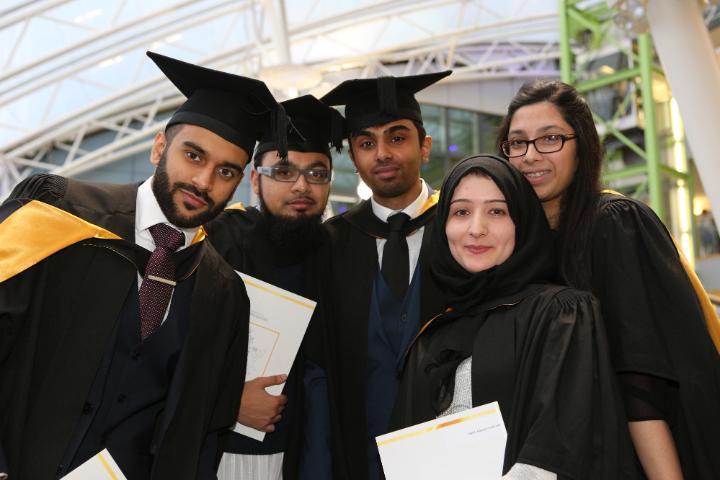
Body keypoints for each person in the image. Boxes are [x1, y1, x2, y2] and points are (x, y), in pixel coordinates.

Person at [0, 51, 281, 479]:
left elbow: (202, 435)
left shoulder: (223, 293)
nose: (204, 182)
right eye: (193, 155)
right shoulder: (56, 213)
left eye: (226, 172)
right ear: (159, 148)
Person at [496, 80, 720, 479]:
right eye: (517, 143)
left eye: (550, 139)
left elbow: (639, 380)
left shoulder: (612, 223)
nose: (530, 156)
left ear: (582, 148)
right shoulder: (522, 246)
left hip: (626, 456)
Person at [393, 154, 638, 479]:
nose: (476, 229)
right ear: (443, 227)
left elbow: (560, 446)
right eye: (461, 212)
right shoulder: (430, 336)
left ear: (521, 222)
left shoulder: (561, 314)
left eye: (497, 211)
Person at [320, 70, 451, 479]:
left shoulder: (462, 230)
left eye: (397, 137)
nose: (382, 153)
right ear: (354, 157)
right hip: (358, 452)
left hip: (452, 446)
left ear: (424, 146)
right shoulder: (330, 244)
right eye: (365, 143)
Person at [205, 94, 344, 480]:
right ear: (254, 179)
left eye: (317, 173)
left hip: (316, 450)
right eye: (284, 172)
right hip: (228, 454)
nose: (302, 186)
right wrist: (226, 403)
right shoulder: (216, 243)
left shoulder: (341, 252)